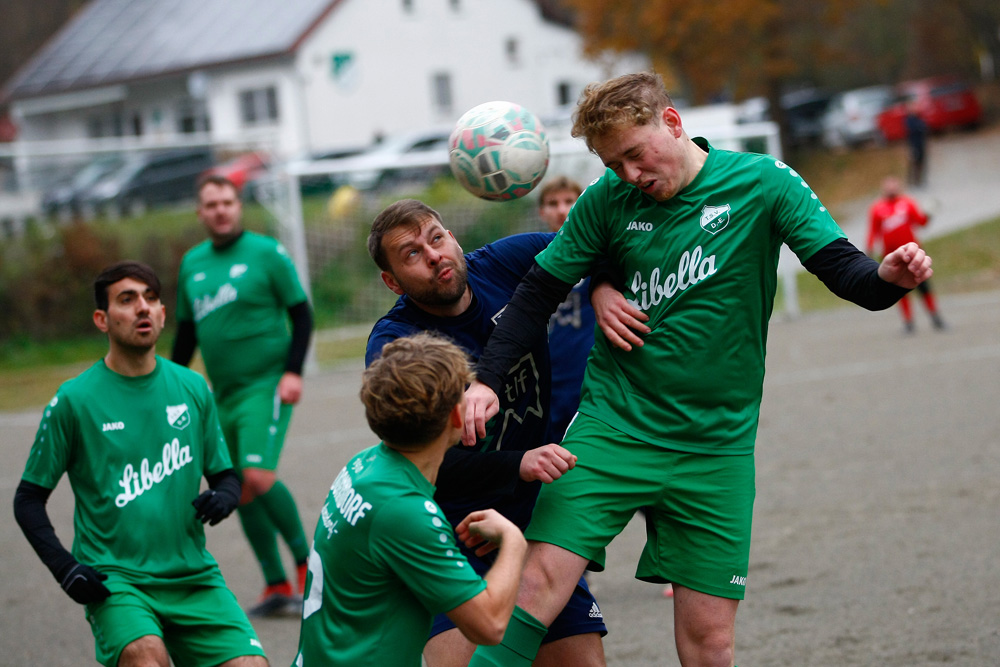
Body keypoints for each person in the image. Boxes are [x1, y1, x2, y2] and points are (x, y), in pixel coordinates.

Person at [462, 71, 934, 667]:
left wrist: (888, 279)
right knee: (535, 589)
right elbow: (536, 294)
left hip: (717, 448)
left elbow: (849, 275)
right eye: (614, 163)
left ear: (673, 123)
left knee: (710, 644)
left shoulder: (764, 183)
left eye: (635, 154)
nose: (629, 174)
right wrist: (486, 382)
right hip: (615, 428)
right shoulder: (607, 199)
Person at [365, 199, 608, 666]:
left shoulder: (505, 262)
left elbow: (598, 246)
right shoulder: (398, 347)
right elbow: (420, 465)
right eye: (412, 253)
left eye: (436, 238)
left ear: (453, 238)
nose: (434, 254)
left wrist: (599, 289)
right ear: (392, 281)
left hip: (533, 525)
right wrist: (519, 463)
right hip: (451, 535)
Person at [13, 261, 267, 667]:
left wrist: (226, 494)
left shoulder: (191, 387)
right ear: (102, 319)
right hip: (118, 580)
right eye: (127, 300)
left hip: (193, 577)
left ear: (163, 313)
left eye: (150, 298)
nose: (142, 308)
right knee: (145, 656)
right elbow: (27, 499)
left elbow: (224, 474)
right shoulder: (74, 400)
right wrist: (65, 568)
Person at [292, 333, 529, 666]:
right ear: (456, 417)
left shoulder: (363, 465)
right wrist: (514, 542)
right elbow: (488, 625)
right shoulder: (403, 510)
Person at [172, 174, 314, 617]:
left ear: (238, 206)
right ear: (200, 213)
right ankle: (275, 584)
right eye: (211, 204)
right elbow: (186, 332)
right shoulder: (192, 263)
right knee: (237, 488)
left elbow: (302, 314)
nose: (220, 210)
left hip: (266, 384)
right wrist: (171, 385)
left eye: (227, 202)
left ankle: (308, 567)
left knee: (256, 476)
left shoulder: (266, 252)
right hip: (222, 395)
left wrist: (292, 371)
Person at [867, 176, 945, 333]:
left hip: (913, 255)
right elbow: (873, 232)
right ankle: (908, 322)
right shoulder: (877, 208)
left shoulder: (908, 203)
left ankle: (935, 317)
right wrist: (869, 249)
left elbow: (921, 222)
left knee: (924, 287)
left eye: (893, 184)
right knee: (899, 291)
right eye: (888, 185)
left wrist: (929, 213)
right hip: (891, 257)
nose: (891, 188)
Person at [904, 101, 928, 188]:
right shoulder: (908, 119)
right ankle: (913, 181)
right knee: (914, 162)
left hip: (921, 143)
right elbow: (914, 129)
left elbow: (924, 127)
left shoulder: (918, 118)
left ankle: (920, 180)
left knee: (922, 161)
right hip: (914, 145)